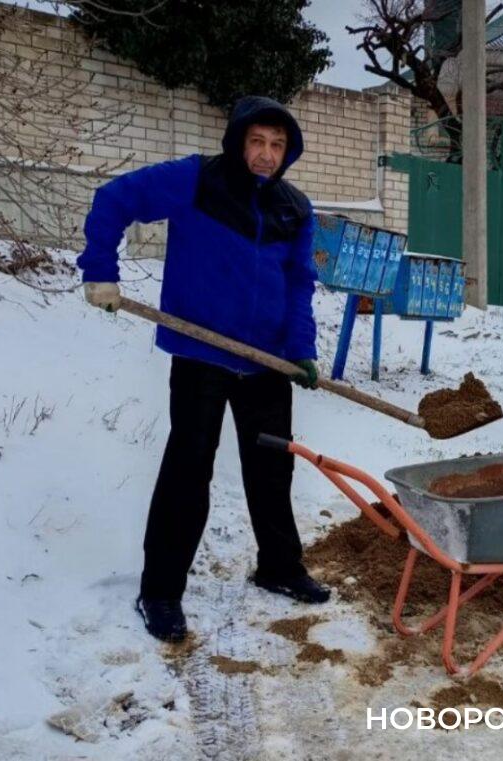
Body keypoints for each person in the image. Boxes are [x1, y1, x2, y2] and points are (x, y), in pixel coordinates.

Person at [76, 95, 330, 643]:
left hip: (266, 363)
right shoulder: (196, 181)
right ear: (239, 141)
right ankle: (160, 591)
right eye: (257, 142)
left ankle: (279, 567)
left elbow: (298, 284)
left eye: (277, 145)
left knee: (272, 470)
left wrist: (300, 349)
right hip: (202, 355)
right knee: (188, 471)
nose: (266, 154)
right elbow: (114, 198)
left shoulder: (294, 208)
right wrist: (100, 269)